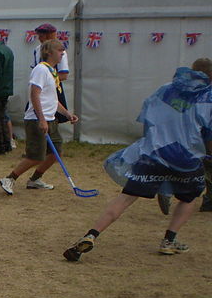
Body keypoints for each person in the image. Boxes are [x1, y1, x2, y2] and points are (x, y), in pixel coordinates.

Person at [63, 58, 212, 261]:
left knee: (126, 197)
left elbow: (147, 117)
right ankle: (169, 240)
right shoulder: (207, 97)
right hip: (186, 157)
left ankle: (91, 234)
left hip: (154, 153)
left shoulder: (166, 89)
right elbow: (208, 131)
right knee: (190, 197)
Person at [0, 40, 78, 195]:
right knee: (36, 156)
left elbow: (53, 99)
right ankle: (9, 178)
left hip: (50, 119)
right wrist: (41, 119)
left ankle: (35, 179)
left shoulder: (52, 71)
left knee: (55, 153)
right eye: (60, 50)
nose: (63, 53)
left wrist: (67, 114)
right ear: (49, 52)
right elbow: (35, 94)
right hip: (37, 119)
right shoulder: (41, 69)